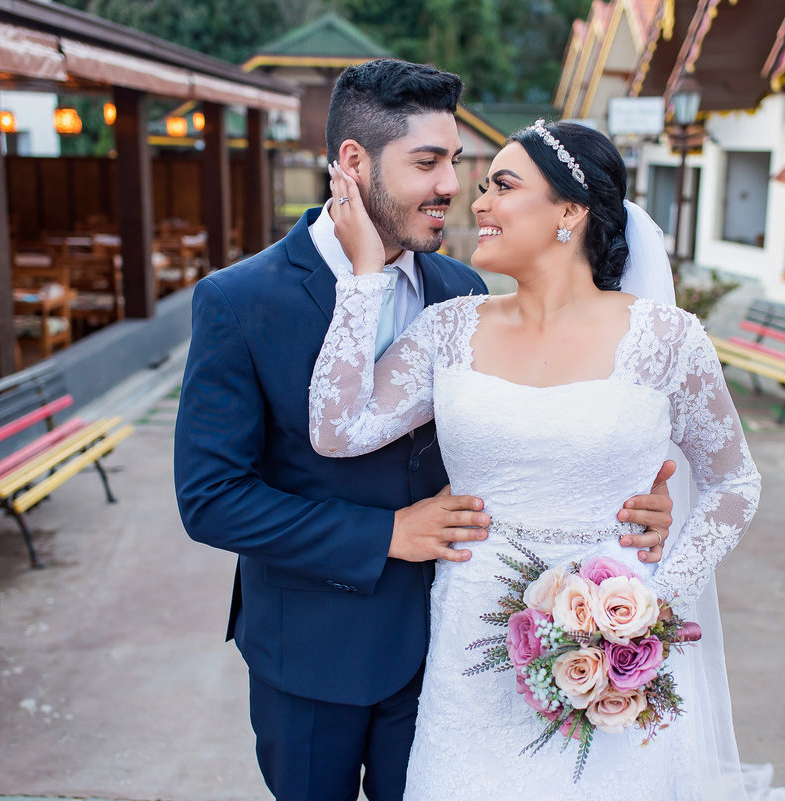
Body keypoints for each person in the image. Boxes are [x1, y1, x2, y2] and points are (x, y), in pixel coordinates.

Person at [173, 59, 677, 801]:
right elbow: (211, 498)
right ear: (353, 163)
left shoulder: (463, 289)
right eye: (428, 162)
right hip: (315, 657)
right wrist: (385, 534)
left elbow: (526, 433)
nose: (452, 185)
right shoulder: (241, 301)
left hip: (461, 651)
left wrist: (631, 501)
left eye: (458, 162)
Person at [309, 119, 763, 799]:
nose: (478, 202)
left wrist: (650, 609)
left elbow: (734, 482)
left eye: (503, 185)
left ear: (570, 212)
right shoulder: (450, 328)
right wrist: (364, 279)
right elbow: (336, 428)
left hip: (615, 642)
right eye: (483, 186)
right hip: (472, 645)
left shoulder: (668, 338)